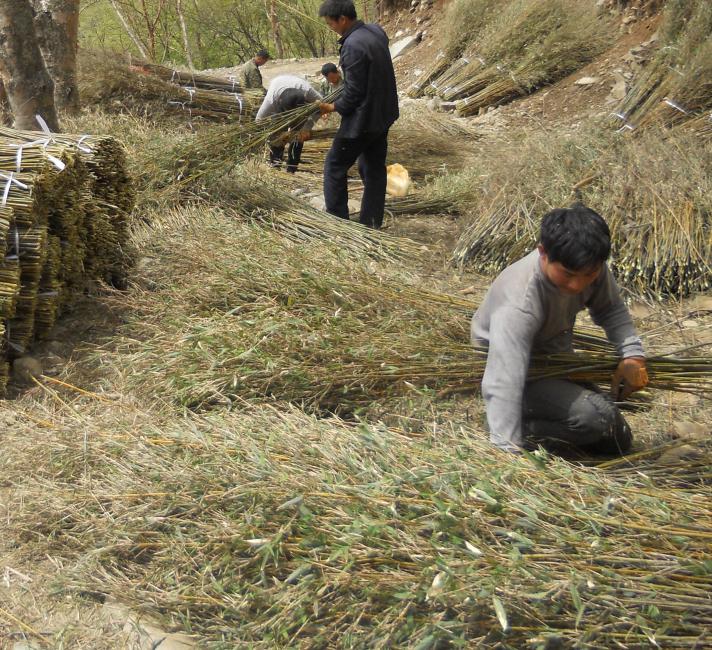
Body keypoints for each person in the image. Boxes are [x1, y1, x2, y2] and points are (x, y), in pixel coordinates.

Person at [471, 204, 649, 455]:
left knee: (617, 440)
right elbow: (504, 379)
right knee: (596, 417)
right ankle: (524, 430)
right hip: (517, 370)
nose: (577, 285)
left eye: (589, 274)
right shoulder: (519, 303)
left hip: (556, 362)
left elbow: (610, 309)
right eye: (567, 274)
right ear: (543, 252)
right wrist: (507, 448)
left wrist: (632, 354)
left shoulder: (587, 263)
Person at [317, 0, 399, 229]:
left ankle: (339, 223)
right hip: (384, 114)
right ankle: (371, 224)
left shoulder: (352, 45)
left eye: (331, 23)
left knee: (334, 166)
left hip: (363, 120)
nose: (330, 26)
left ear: (343, 19)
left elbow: (353, 92)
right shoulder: (375, 30)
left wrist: (333, 107)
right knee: (372, 168)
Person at [256, 74, 322, 173]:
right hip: (281, 105)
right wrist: (268, 134)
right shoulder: (272, 98)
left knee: (298, 137)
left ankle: (291, 169)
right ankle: (275, 165)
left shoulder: (308, 92)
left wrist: (306, 128)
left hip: (301, 110)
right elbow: (259, 120)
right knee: (276, 135)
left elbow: (321, 106)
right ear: (279, 101)